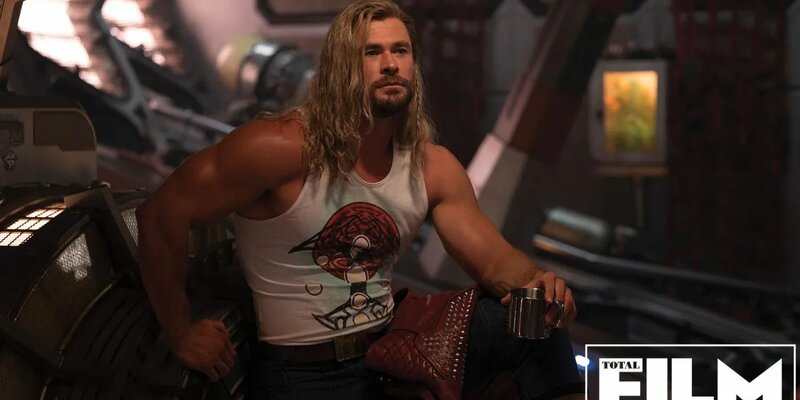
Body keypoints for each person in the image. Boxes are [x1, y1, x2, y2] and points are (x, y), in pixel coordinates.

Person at [135, 0, 583, 398]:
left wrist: (539, 284)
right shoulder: (278, 148)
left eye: (400, 51)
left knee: (539, 327)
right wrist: (181, 331)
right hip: (303, 372)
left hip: (390, 352)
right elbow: (160, 215)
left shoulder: (432, 166)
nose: (390, 65)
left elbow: (495, 262)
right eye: (372, 53)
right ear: (340, 67)